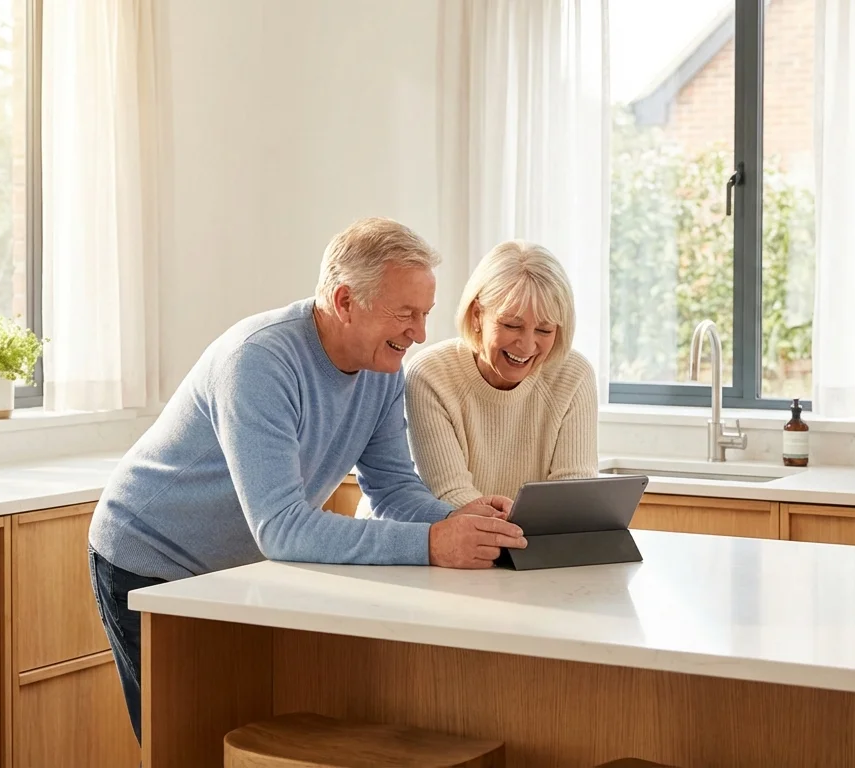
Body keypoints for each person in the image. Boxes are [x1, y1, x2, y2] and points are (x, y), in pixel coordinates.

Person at [88, 217, 528, 744]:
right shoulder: (259, 361)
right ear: (345, 301)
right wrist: (435, 542)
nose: (421, 333)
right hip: (150, 559)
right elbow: (282, 528)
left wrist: (463, 521)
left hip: (236, 571)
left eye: (425, 314)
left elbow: (391, 491)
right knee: (185, 747)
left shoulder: (383, 370)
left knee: (235, 737)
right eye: (406, 314)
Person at [405, 240, 599, 506]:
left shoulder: (574, 375)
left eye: (544, 330)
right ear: (476, 315)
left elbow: (574, 494)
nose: (528, 345)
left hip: (520, 540)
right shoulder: (431, 375)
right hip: (424, 537)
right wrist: (525, 529)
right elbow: (451, 496)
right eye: (511, 325)